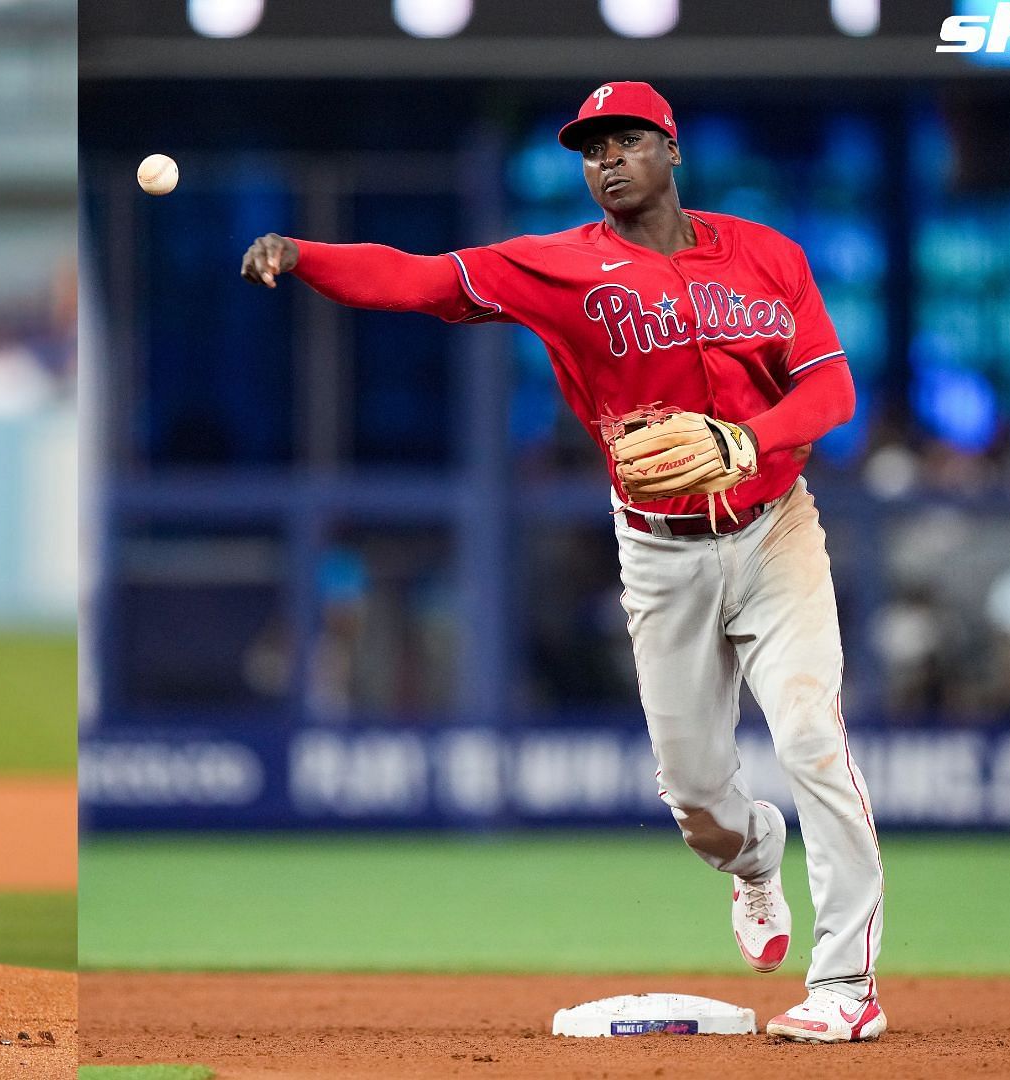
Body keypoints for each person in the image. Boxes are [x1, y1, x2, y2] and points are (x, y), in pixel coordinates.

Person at [240, 81, 883, 1043]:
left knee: (811, 738)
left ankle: (847, 987)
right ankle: (754, 857)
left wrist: (750, 442)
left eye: (625, 141)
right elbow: (418, 278)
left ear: (671, 151)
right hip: (660, 552)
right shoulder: (559, 267)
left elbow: (830, 387)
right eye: (591, 150)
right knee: (698, 795)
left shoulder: (765, 254)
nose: (606, 161)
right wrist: (305, 253)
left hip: (774, 527)